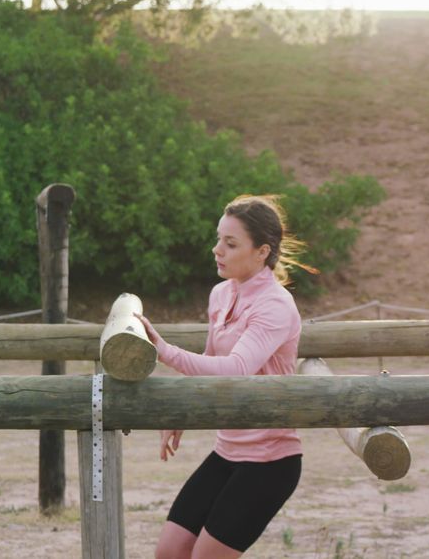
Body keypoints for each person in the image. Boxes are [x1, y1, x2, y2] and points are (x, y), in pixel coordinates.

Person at [135, 194, 316, 559]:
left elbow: (235, 369)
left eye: (230, 243)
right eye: (219, 238)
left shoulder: (275, 304)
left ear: (262, 251)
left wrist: (163, 350)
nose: (217, 249)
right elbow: (209, 361)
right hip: (227, 450)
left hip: (270, 460)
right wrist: (181, 411)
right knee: (169, 553)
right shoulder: (221, 294)